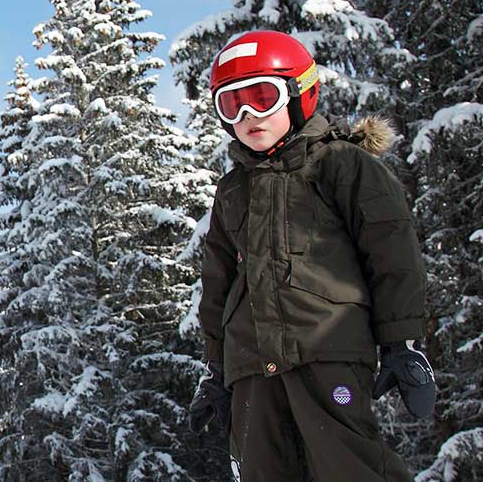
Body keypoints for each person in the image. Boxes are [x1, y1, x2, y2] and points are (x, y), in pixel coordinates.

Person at [187, 30, 438, 481]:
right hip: (252, 364)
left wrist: (400, 342)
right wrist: (217, 366)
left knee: (350, 467)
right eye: (232, 104)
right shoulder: (232, 189)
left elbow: (391, 250)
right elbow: (218, 282)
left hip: (326, 346)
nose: (247, 116)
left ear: (299, 93)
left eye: (262, 98)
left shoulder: (340, 163)